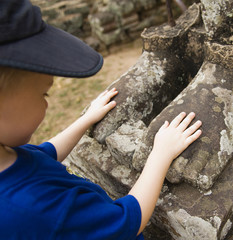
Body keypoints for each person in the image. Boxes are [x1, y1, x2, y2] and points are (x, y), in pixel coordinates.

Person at [0, 1, 202, 239]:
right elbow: (127, 220)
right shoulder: (36, 208)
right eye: (43, 93)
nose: (47, 103)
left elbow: (43, 154)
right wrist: (160, 154)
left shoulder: (8, 158)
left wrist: (85, 120)